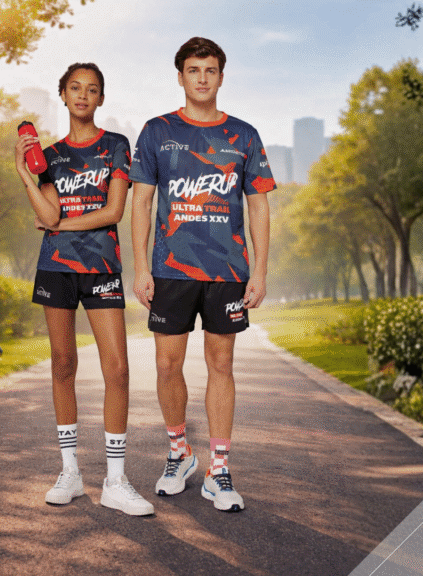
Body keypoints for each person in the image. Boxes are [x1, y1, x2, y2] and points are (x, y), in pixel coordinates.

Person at [129, 37, 274, 512]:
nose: (202, 78)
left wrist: (259, 269)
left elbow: (258, 206)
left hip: (227, 270)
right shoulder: (156, 132)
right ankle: (179, 452)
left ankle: (219, 469)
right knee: (167, 365)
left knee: (222, 365)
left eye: (210, 70)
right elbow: (142, 203)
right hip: (170, 269)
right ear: (181, 76)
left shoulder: (245, 136)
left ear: (221, 76)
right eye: (194, 70)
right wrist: (141, 266)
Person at [15, 62, 154, 516]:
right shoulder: (49, 157)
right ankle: (70, 473)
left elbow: (113, 211)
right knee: (62, 363)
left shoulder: (116, 145)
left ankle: (115, 479)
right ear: (63, 95)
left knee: (117, 367)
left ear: (100, 99)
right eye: (75, 88)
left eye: (92, 89)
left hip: (101, 266)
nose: (82, 95)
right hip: (56, 267)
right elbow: (45, 211)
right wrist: (23, 172)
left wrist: (61, 224)